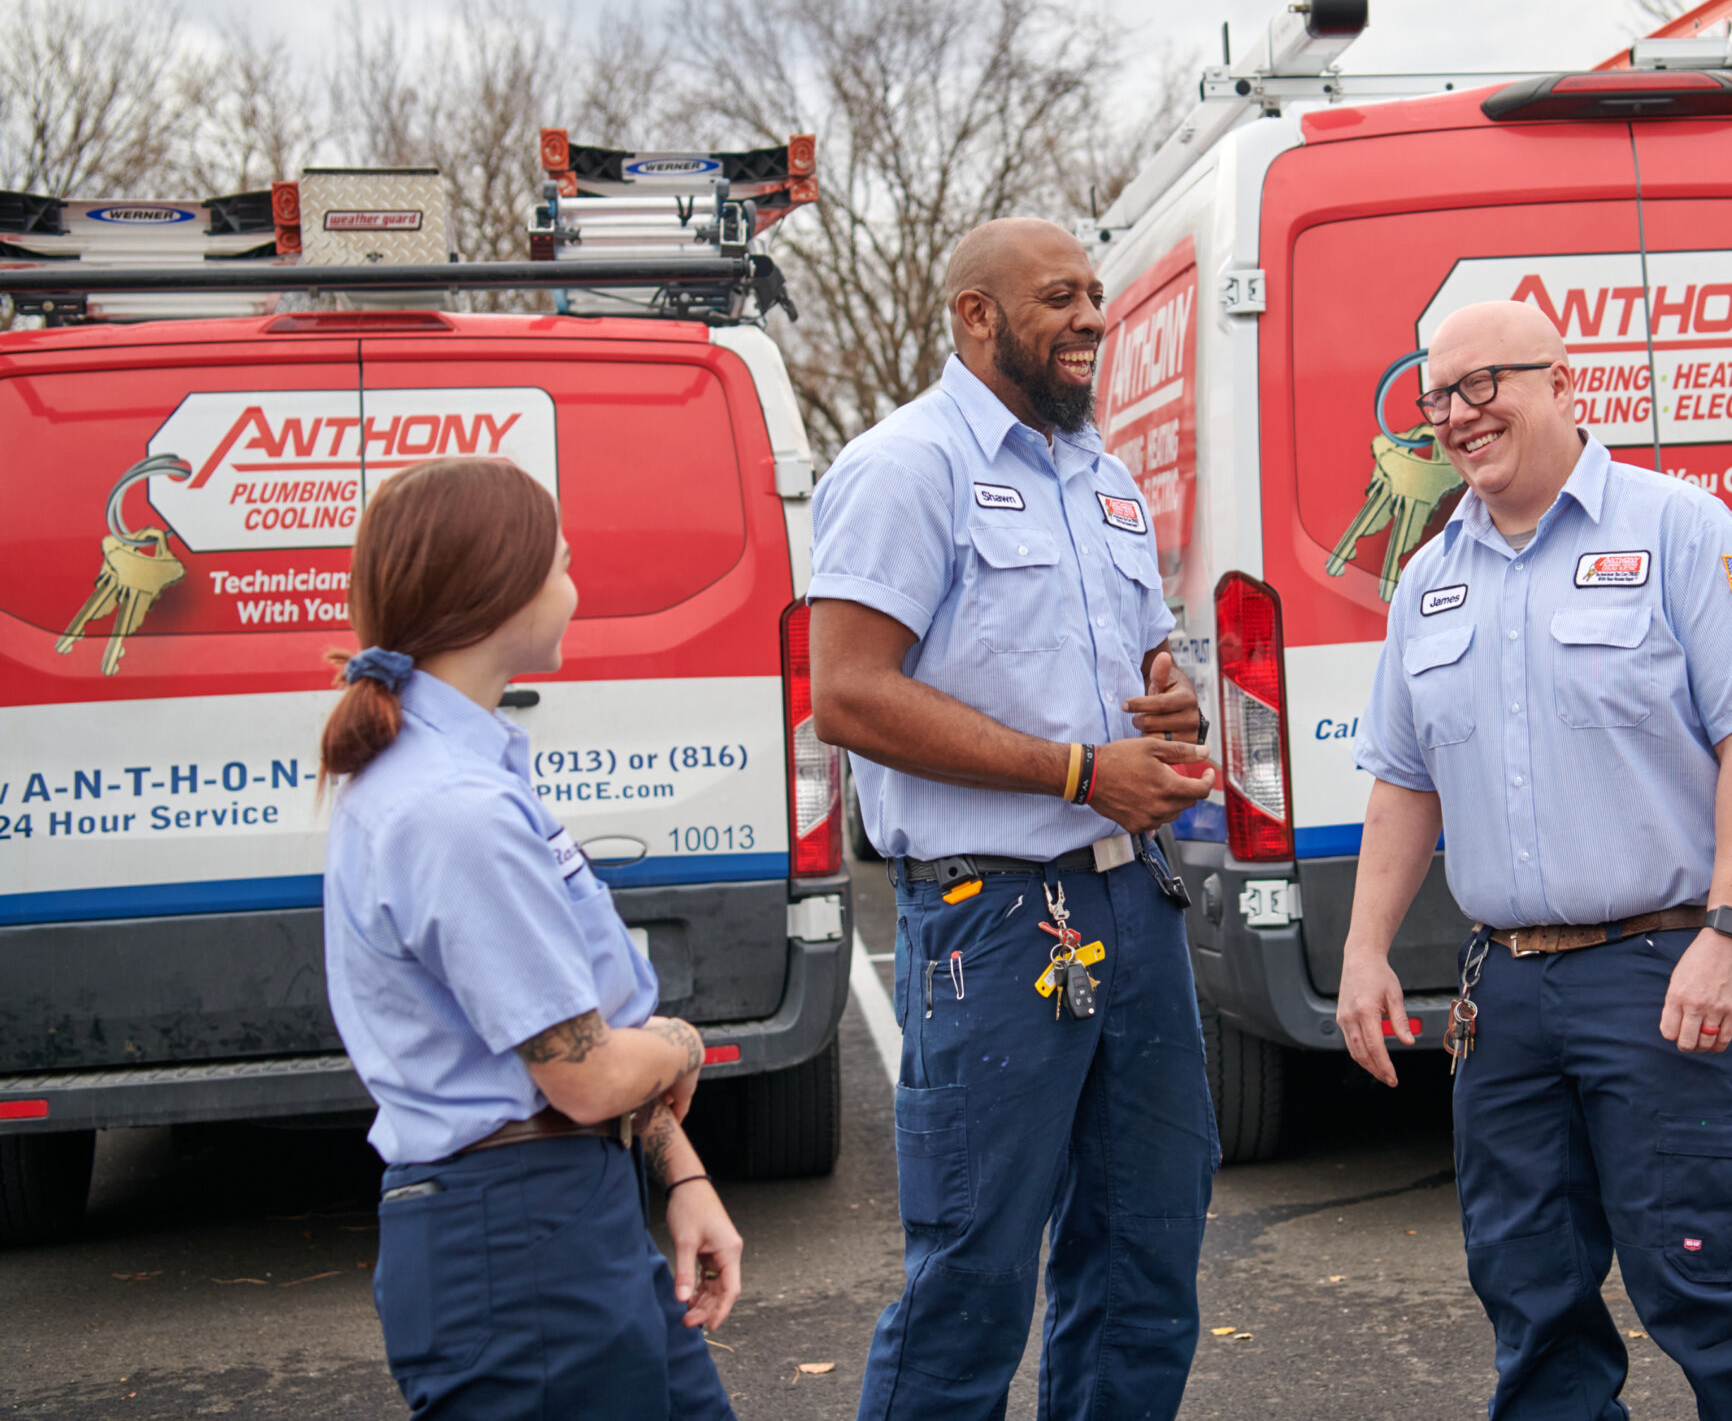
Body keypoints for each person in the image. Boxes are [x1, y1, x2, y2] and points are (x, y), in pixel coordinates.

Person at [1337, 300, 1732, 1421]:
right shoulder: (1428, 581)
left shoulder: (1679, 530)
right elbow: (1404, 783)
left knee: (1696, 1280)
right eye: (1438, 399)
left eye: (1485, 386)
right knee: (1529, 1296)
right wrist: (1367, 949)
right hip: (1505, 991)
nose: (1460, 418)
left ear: (1569, 384)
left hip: (1660, 974)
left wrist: (1728, 933)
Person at [808, 217, 1221, 1421]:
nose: (1093, 317)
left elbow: (1143, 665)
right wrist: (1081, 772)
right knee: (975, 1277)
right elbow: (848, 692)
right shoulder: (903, 468)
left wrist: (1171, 702)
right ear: (976, 316)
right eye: (1060, 296)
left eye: (1096, 294)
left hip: (1129, 905)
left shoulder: (1103, 478)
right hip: (994, 920)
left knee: (1146, 1254)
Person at [321, 456, 742, 1419]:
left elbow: (584, 1040)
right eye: (559, 563)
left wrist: (682, 1173)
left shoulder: (463, 777)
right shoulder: (451, 810)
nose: (573, 586)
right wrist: (680, 1041)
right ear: (497, 593)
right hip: (516, 1248)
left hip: (562, 1215)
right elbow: (587, 1071)